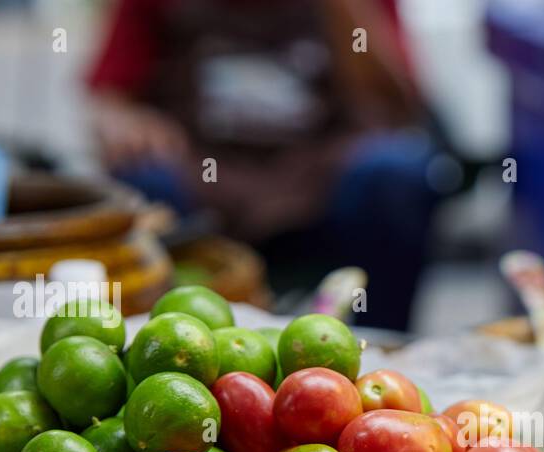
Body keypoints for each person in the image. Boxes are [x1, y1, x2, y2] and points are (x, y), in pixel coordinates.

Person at [86, 0, 445, 330]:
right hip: (203, 183)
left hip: (321, 182)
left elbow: (400, 103)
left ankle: (381, 351)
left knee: (393, 174)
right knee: (143, 178)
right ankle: (168, 348)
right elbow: (108, 100)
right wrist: (126, 121)